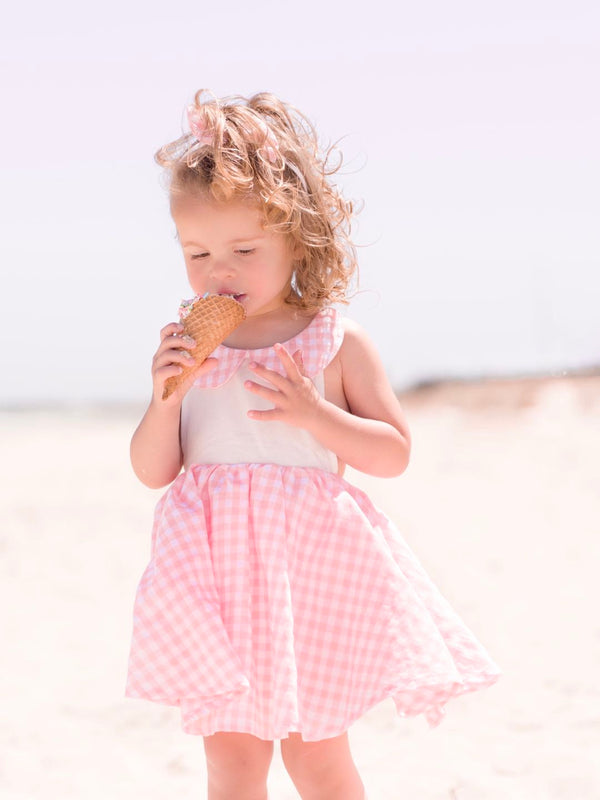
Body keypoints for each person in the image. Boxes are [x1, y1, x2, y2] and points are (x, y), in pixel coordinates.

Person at [125, 88, 500, 800]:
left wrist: (316, 414)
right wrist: (164, 399)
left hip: (310, 572)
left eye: (244, 250)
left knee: (317, 759)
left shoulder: (333, 340)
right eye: (197, 253)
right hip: (214, 574)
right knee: (231, 762)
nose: (219, 271)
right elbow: (153, 471)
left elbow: (392, 452)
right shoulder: (189, 349)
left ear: (297, 239)